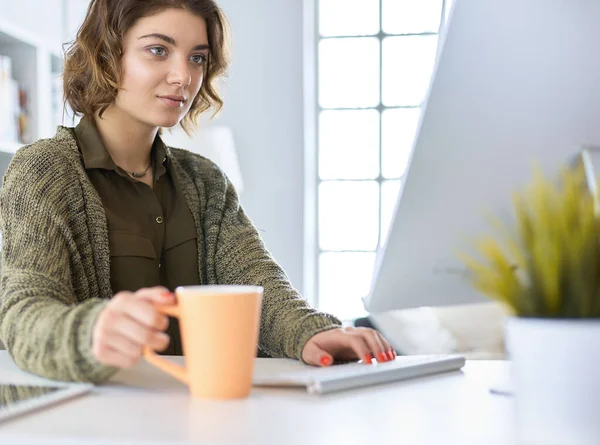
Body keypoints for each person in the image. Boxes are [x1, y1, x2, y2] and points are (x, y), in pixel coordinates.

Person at [0, 0, 396, 384]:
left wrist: (310, 332)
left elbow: (258, 283)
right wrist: (89, 333)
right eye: (158, 50)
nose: (183, 76)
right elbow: (23, 314)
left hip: (198, 416)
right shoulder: (44, 170)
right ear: (107, 54)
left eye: (197, 58)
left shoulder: (205, 181)